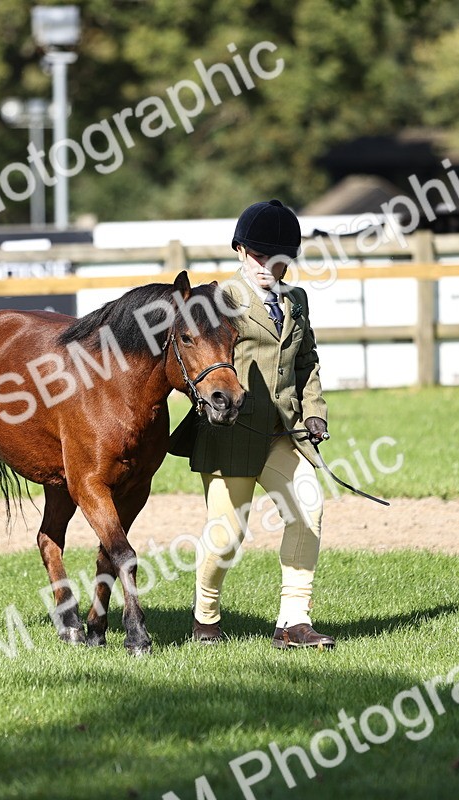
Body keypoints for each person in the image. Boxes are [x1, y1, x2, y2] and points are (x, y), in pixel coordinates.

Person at [181, 199, 335, 650]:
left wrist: (315, 411)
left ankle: (293, 622)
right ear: (241, 251)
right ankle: (205, 615)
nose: (270, 266)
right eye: (260, 256)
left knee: (309, 509)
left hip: (284, 434)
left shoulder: (297, 301)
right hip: (232, 434)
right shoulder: (220, 301)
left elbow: (306, 362)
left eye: (280, 258)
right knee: (227, 537)